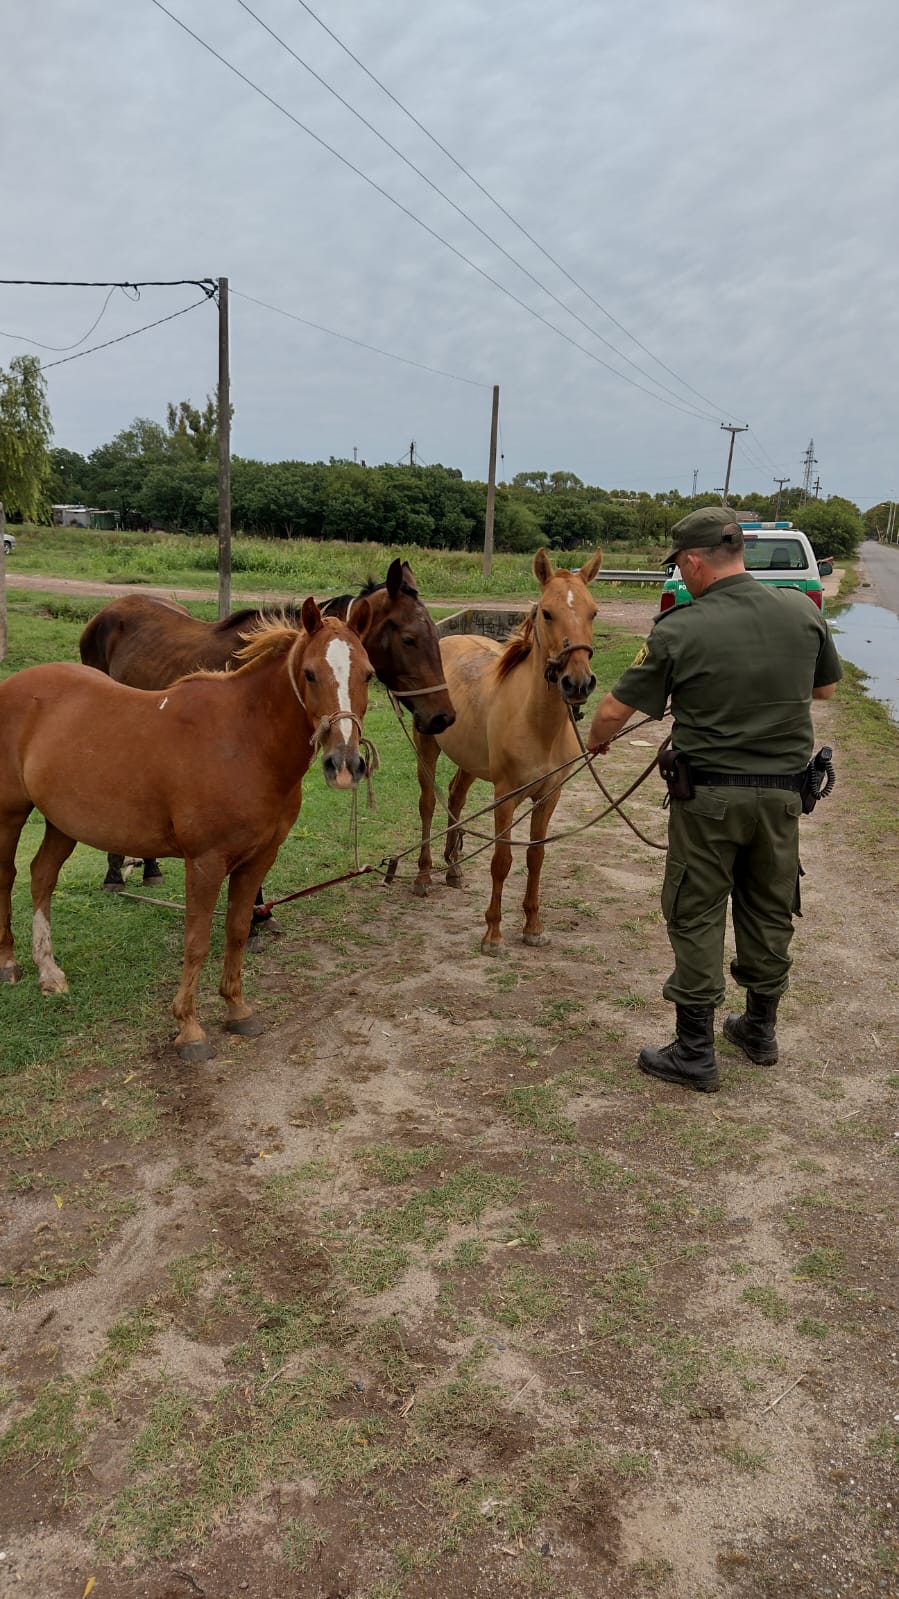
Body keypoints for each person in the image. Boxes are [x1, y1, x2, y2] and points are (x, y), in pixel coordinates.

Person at [586, 505, 842, 1093]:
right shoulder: (802, 612)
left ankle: (695, 1051)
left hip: (709, 800)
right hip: (782, 799)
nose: (682, 575)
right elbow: (824, 688)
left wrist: (597, 745)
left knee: (697, 909)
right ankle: (759, 1028)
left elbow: (611, 712)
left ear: (695, 561)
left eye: (680, 565)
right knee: (769, 905)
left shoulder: (680, 628)